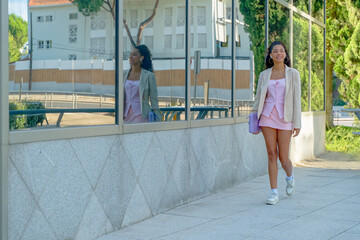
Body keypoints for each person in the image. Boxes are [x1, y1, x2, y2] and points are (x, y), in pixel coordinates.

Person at [252, 41, 301, 205]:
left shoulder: (293, 74)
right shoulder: (264, 75)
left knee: (283, 157)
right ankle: (273, 192)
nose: (279, 53)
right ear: (271, 56)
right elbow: (259, 98)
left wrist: (297, 123)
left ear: (285, 55)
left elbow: (296, 100)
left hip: (285, 118)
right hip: (267, 117)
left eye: (282, 51)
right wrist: (254, 121)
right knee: (271, 153)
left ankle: (290, 177)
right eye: (275, 51)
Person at [123, 45, 161, 123]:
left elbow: (154, 99)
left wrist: (158, 120)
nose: (131, 57)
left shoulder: (149, 76)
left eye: (134, 54)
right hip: (125, 115)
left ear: (141, 57)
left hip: (141, 115)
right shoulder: (123, 74)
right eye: (130, 54)